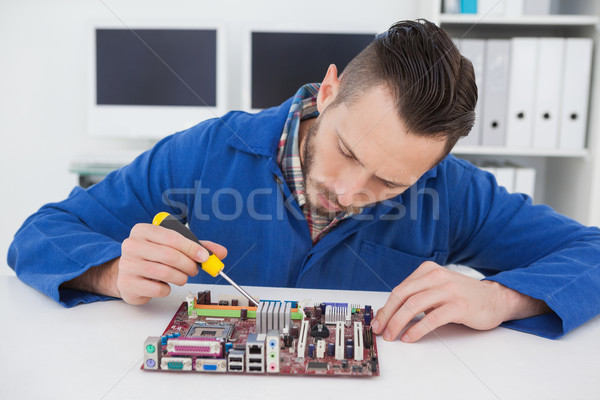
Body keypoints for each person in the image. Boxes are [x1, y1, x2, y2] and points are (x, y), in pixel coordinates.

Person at [8, 19, 600, 343]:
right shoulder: (205, 152)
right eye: (347, 150)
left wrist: (499, 296)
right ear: (329, 88)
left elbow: (591, 252)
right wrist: (112, 271)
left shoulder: (454, 192)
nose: (349, 192)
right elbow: (39, 234)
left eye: (391, 182)